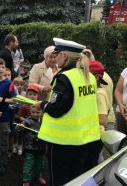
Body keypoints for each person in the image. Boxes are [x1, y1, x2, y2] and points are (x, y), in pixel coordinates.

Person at [35, 38, 100, 186]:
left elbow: (56, 109)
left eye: (56, 53)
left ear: (64, 55)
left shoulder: (65, 77)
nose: (54, 57)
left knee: (59, 180)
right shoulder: (89, 76)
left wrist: (43, 105)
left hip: (61, 142)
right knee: (75, 179)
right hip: (83, 139)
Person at [86, 60, 109, 168]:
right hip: (89, 134)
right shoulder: (92, 91)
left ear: (96, 77)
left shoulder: (99, 94)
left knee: (92, 165)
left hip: (95, 135)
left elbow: (103, 119)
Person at [16, 106, 46, 186]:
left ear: (42, 112)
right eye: (33, 112)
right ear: (30, 112)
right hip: (30, 148)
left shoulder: (44, 121)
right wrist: (20, 127)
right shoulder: (27, 121)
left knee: (40, 164)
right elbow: (17, 128)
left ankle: (38, 176)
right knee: (28, 164)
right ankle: (26, 180)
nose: (35, 114)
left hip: (41, 147)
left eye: (38, 112)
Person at [16, 84, 41, 155]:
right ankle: (23, 148)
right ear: (27, 95)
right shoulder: (24, 106)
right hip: (26, 126)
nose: (32, 96)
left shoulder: (39, 105)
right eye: (30, 94)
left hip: (36, 126)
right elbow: (20, 116)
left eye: (34, 94)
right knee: (26, 138)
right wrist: (26, 121)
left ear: (37, 96)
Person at [115, 67, 127, 134]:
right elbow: (118, 90)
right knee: (121, 141)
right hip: (122, 113)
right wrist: (120, 104)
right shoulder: (126, 71)